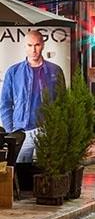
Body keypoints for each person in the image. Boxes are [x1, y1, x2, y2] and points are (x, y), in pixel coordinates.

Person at [0, 30, 66, 162]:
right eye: (30, 45)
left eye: (37, 45)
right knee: (20, 173)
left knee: (47, 171)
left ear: (43, 45)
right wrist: (12, 130)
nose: (34, 50)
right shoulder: (14, 72)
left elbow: (62, 102)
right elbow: (5, 103)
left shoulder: (55, 70)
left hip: (47, 130)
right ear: (25, 46)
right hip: (22, 131)